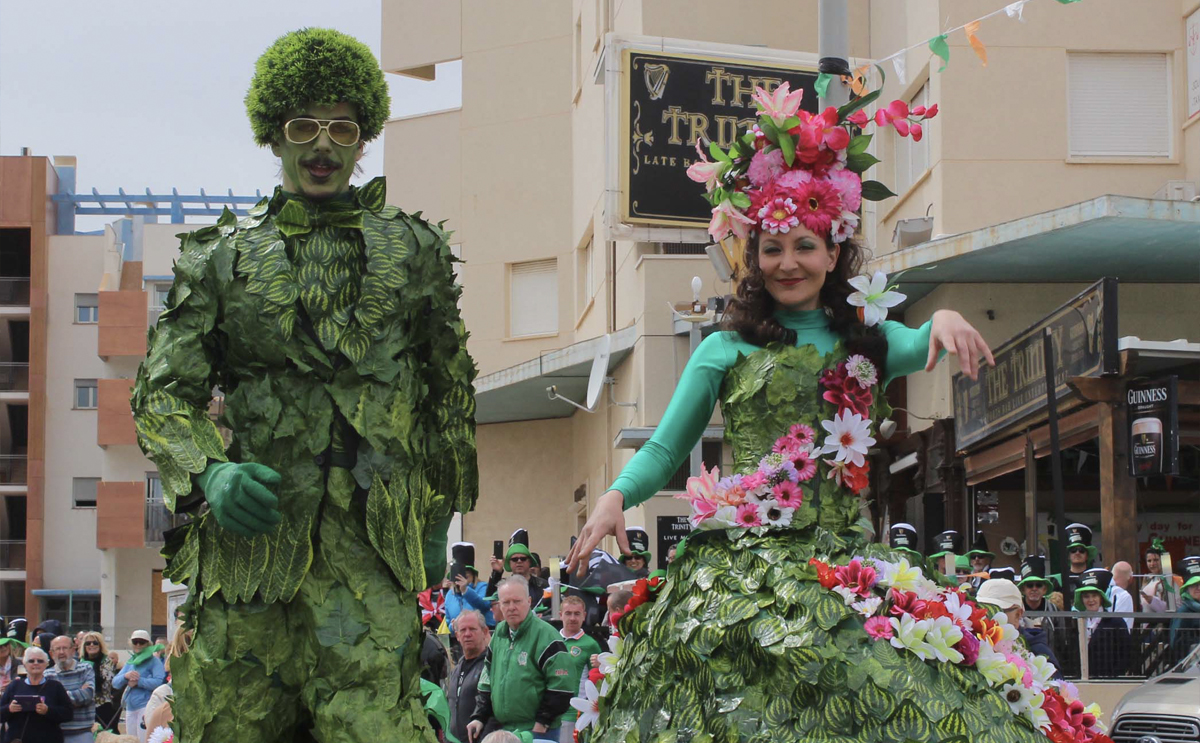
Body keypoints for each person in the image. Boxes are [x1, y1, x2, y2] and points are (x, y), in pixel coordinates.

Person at [563, 82, 1105, 742]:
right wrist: (615, 496)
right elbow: (663, 449)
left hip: (844, 560)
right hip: (743, 567)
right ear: (753, 258)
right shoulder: (722, 349)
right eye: (771, 248)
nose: (788, 262)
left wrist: (945, 317)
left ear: (833, 252)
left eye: (804, 245)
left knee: (909, 694)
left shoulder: (864, 343)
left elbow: (914, 341)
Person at [129, 28, 477, 743]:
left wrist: (437, 516)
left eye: (342, 128)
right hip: (249, 563)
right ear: (275, 133)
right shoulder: (219, 257)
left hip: (371, 559)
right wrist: (208, 472)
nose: (323, 145)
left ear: (362, 139)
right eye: (304, 126)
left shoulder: (416, 253)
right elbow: (163, 392)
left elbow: (447, 394)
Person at [466, 576, 574, 741]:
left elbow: (562, 685)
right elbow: (487, 678)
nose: (511, 607)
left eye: (517, 601)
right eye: (505, 602)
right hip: (506, 730)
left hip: (538, 731)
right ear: (499, 605)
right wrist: (479, 717)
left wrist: (543, 722)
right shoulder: (499, 635)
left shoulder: (546, 636)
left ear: (529, 601)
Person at [0, 646, 71, 743]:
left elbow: (68, 714)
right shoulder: (14, 685)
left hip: (49, 738)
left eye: (40, 661)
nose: (36, 663)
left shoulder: (55, 686)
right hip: (17, 739)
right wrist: (9, 709)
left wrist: (48, 710)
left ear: (46, 664)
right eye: (31, 661)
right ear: (24, 665)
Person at [556, 596, 602, 741]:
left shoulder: (590, 644)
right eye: (568, 613)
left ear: (584, 616)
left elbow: (598, 679)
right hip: (549, 714)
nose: (572, 618)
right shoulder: (551, 640)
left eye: (577, 613)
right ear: (560, 615)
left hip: (573, 715)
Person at [1074, 569, 1130, 678]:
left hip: (1109, 680)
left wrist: (1116, 675)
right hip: (1082, 680)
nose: (1091, 600)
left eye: (1094, 595)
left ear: (1101, 598)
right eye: (1086, 596)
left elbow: (1126, 653)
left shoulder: (1116, 622)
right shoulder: (1076, 622)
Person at [112, 630, 166, 743]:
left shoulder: (154, 662)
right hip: (130, 708)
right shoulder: (130, 662)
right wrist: (125, 677)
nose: (138, 645)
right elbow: (115, 683)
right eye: (135, 642)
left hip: (145, 706)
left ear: (148, 644)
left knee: (144, 740)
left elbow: (159, 682)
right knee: (131, 740)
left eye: (141, 642)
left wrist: (138, 681)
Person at [448, 610, 491, 743]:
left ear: (484, 632)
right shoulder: (457, 668)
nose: (467, 634)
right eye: (463, 630)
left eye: (472, 629)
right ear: (457, 636)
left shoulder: (491, 665)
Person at [45, 635, 94, 743]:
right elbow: (47, 703)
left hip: (82, 732)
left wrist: (59, 698)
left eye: (65, 648)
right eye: (57, 649)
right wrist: (76, 694)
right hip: (55, 733)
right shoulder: (47, 674)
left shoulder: (85, 668)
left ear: (73, 650)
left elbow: (88, 695)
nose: (61, 652)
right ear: (51, 654)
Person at [447, 543, 496, 645]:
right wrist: (452, 626)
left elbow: (484, 605)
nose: (461, 581)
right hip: (459, 644)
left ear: (473, 575)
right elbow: (448, 622)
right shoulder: (449, 595)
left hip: (483, 641)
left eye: (466, 576)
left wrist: (466, 590)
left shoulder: (483, 587)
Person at [488, 530, 549, 610]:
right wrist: (497, 572)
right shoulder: (503, 585)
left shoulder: (542, 584)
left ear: (529, 562)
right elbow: (489, 600)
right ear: (509, 563)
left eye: (523, 559)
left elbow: (550, 608)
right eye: (514, 559)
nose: (519, 561)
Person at [78, 631, 118, 733]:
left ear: (100, 645)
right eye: (88, 643)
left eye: (95, 643)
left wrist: (86, 685)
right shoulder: (80, 663)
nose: (91, 645)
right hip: (85, 706)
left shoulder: (107, 661)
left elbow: (107, 682)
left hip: (103, 705)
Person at [1168, 556, 1200, 659]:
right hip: (1190, 668)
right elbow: (1177, 645)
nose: (1198, 588)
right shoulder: (1183, 612)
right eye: (1194, 584)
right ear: (1187, 588)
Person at [1142, 537, 1182, 612]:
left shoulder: (1174, 578)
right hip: (1149, 620)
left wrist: (1154, 602)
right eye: (1149, 561)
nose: (1152, 564)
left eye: (1156, 560)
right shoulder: (1147, 579)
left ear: (1163, 560)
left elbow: (1178, 605)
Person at [1063, 522, 1097, 604]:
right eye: (1073, 550)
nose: (1077, 553)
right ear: (1068, 555)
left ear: (1087, 555)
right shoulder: (1059, 580)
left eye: (1081, 550)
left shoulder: (1095, 578)